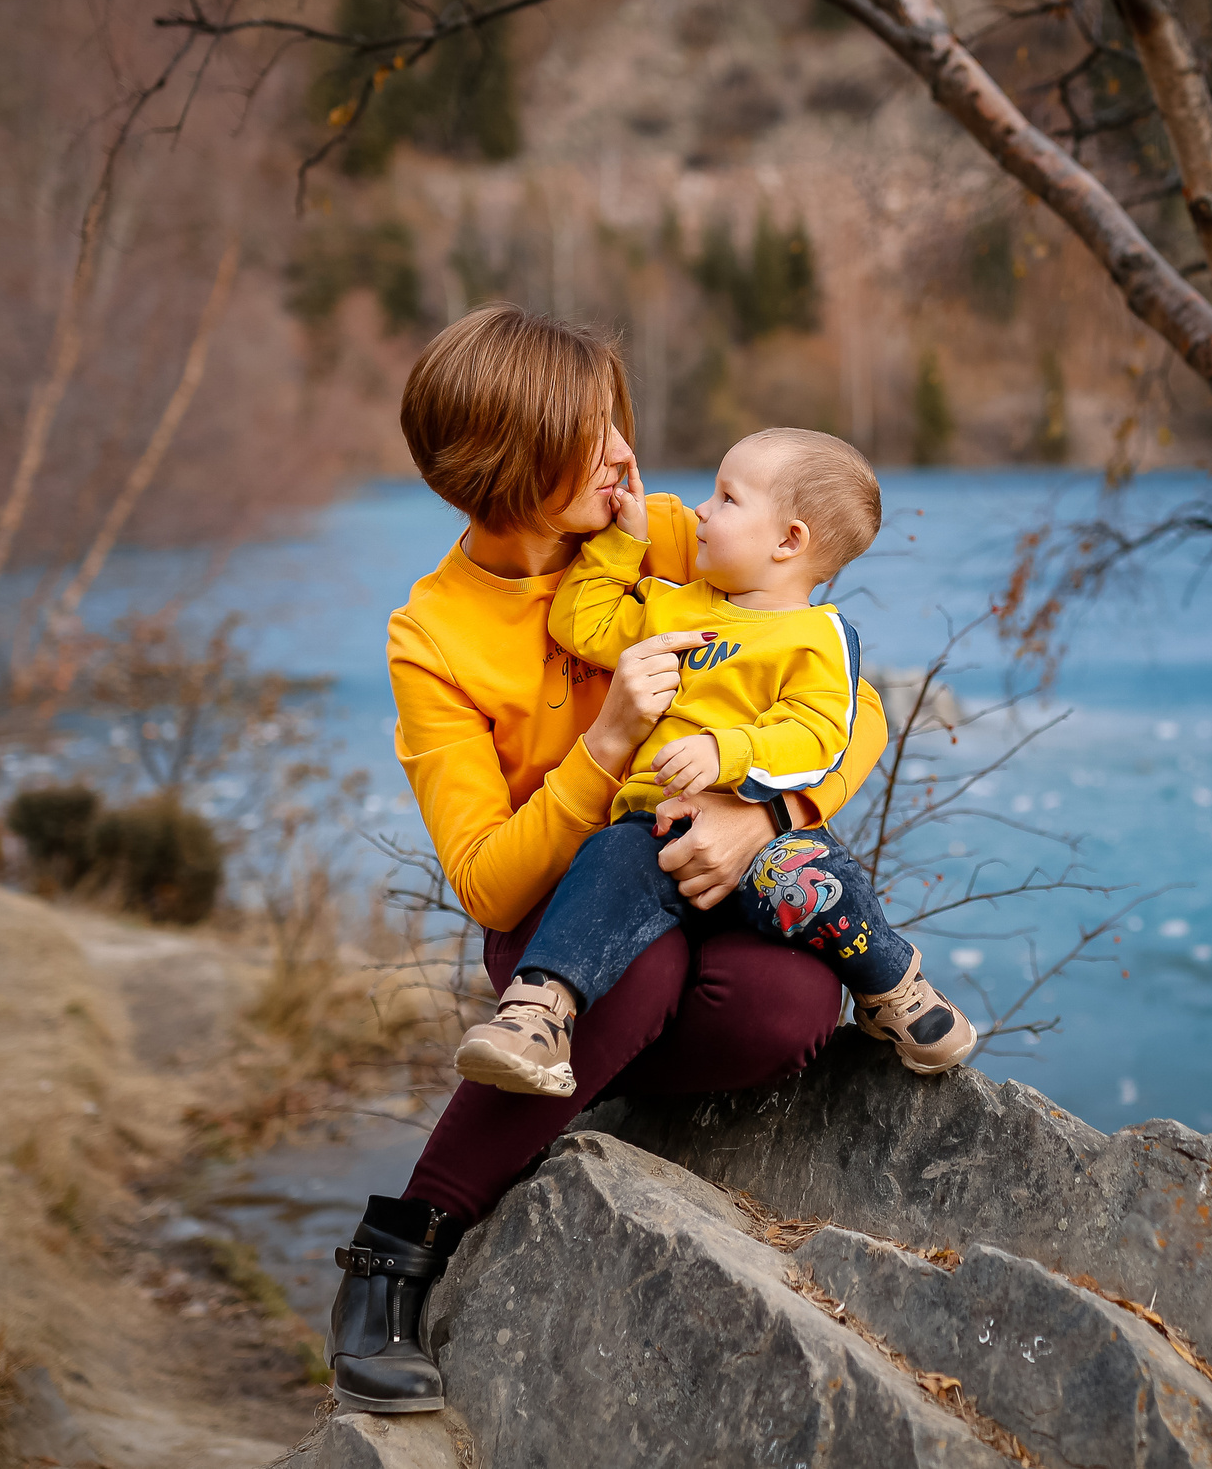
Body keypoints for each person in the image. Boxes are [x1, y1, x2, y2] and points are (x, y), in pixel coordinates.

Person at [323, 306, 891, 1415]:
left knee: (790, 1011)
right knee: (635, 976)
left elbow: (846, 700)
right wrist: (605, 747)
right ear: (510, 461)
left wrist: (768, 816)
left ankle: (567, 1084)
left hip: (707, 875)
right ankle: (400, 1247)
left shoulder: (665, 534)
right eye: (591, 438)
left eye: (617, 424)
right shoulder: (432, 635)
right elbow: (488, 881)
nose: (627, 456)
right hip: (558, 927)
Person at [451, 427, 975, 1100]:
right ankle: (539, 1013)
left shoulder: (816, 638)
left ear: (788, 540)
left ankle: (892, 987)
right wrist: (622, 545)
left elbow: (820, 734)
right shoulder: (678, 603)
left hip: (758, 835)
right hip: (654, 827)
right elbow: (581, 624)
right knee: (605, 866)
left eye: (727, 498)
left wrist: (729, 753)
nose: (701, 508)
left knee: (819, 878)